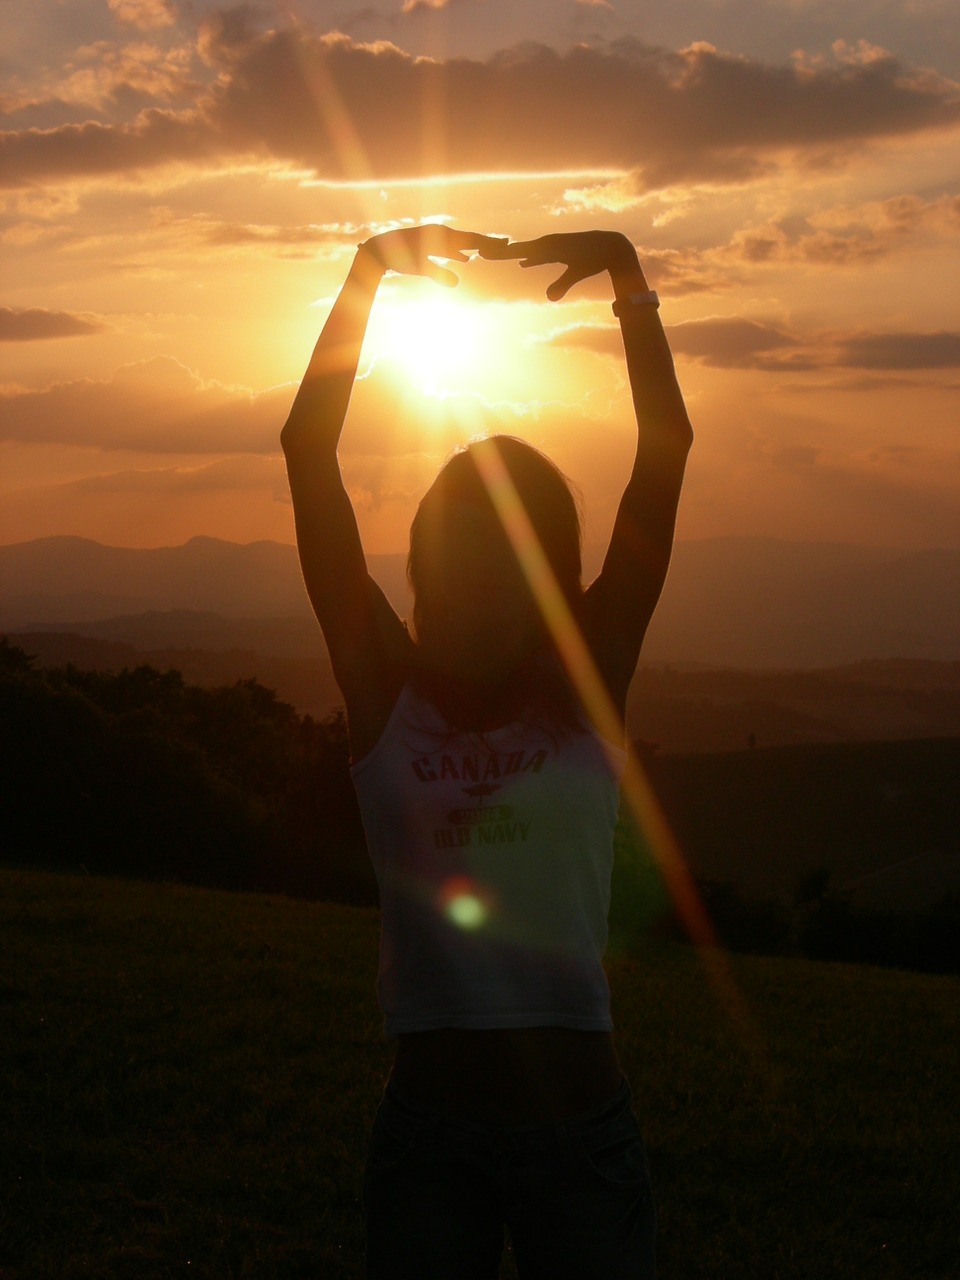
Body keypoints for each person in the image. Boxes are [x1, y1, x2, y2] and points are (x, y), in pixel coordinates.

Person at [281, 224, 693, 1279]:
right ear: (418, 560)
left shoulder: (587, 682)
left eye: (515, 557)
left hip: (584, 1138)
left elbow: (666, 451)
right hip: (430, 1144)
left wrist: (630, 280)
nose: (482, 577)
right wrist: (365, 274)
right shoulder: (384, 693)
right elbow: (306, 453)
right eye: (460, 546)